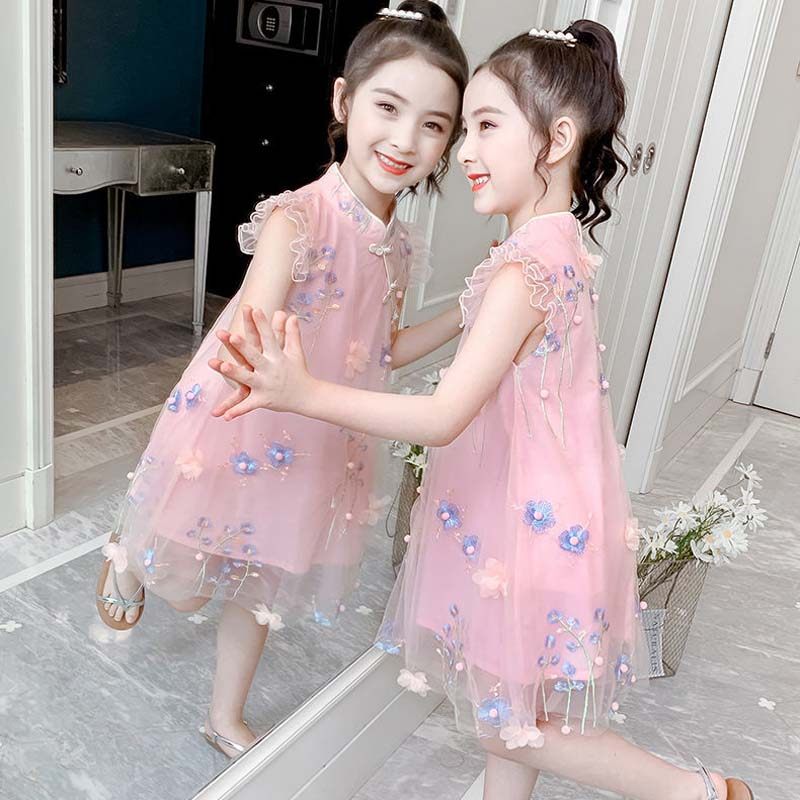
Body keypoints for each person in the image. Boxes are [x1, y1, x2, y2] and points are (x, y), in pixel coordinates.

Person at [208, 20, 753, 798]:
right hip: (535, 510)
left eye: (487, 126)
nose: (464, 151)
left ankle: (700, 793)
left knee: (508, 725)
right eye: (464, 130)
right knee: (514, 712)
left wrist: (304, 394)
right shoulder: (554, 247)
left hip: (525, 522)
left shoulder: (524, 270)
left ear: (557, 139)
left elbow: (443, 417)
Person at [95, 0, 469, 757]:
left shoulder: (400, 247)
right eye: (388, 108)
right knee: (188, 577)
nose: (405, 139)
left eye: (433, 124)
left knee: (262, 576)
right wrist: (282, 370)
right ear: (343, 101)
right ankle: (128, 555)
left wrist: (470, 313)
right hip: (244, 418)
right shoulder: (297, 219)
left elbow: (385, 349)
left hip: (321, 433)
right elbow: (252, 332)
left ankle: (224, 716)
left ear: (448, 141)